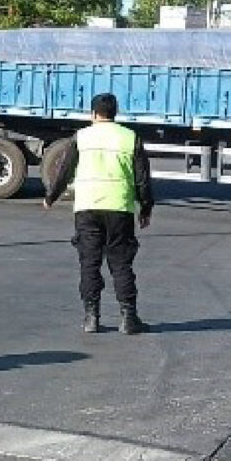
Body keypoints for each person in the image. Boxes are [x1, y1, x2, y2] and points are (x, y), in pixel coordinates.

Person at [40, 93, 155, 334]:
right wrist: (145, 208)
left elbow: (64, 170)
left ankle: (91, 317)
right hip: (119, 207)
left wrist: (51, 197)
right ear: (115, 113)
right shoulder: (129, 137)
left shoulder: (81, 137)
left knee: (89, 262)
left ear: (93, 114)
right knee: (121, 262)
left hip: (87, 207)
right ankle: (128, 318)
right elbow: (142, 178)